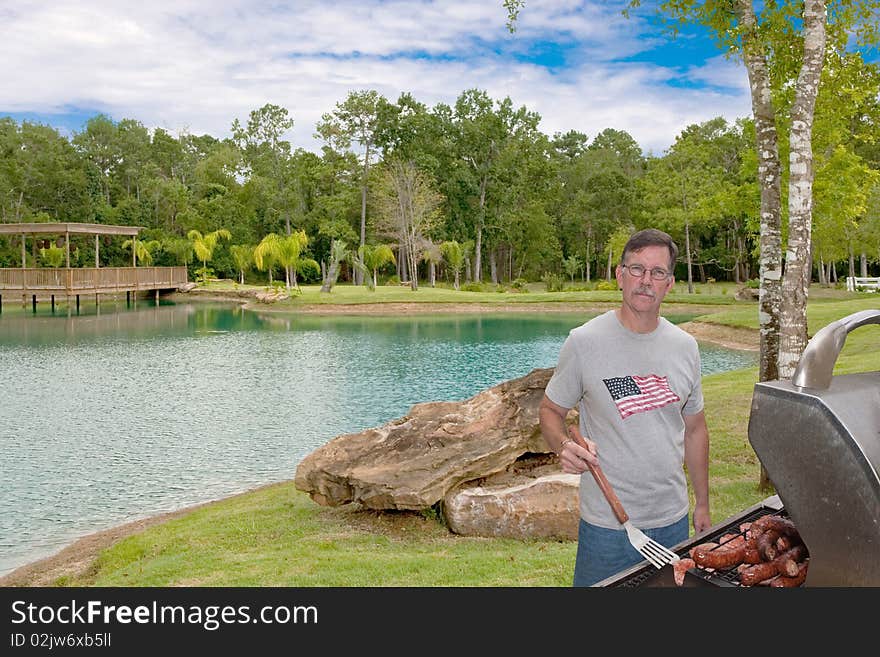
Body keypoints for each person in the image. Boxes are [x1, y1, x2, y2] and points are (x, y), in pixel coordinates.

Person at [539, 228, 711, 587]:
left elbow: (695, 429)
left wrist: (703, 503)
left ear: (670, 283)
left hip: (672, 521)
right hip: (607, 526)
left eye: (657, 272)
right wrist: (564, 446)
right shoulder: (584, 342)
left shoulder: (685, 347)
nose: (646, 281)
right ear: (619, 275)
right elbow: (551, 412)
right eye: (637, 269)